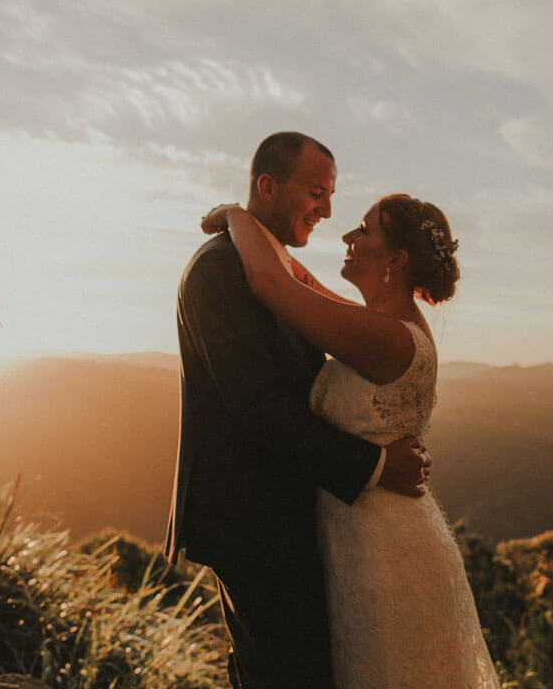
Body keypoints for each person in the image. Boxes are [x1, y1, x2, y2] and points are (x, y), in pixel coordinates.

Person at [202, 190, 501, 689]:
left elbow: (269, 282)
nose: (347, 236)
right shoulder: (382, 323)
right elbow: (301, 280)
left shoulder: (389, 337)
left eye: (363, 230)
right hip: (362, 533)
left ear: (396, 260)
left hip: (383, 550)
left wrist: (235, 214)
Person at [165, 132, 431, 689]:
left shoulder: (271, 268)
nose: (328, 212)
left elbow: (293, 297)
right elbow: (260, 410)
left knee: (294, 669)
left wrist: (238, 217)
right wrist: (377, 464)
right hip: (253, 516)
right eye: (316, 192)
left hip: (299, 511)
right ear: (268, 186)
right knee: (281, 671)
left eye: (331, 196)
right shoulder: (221, 269)